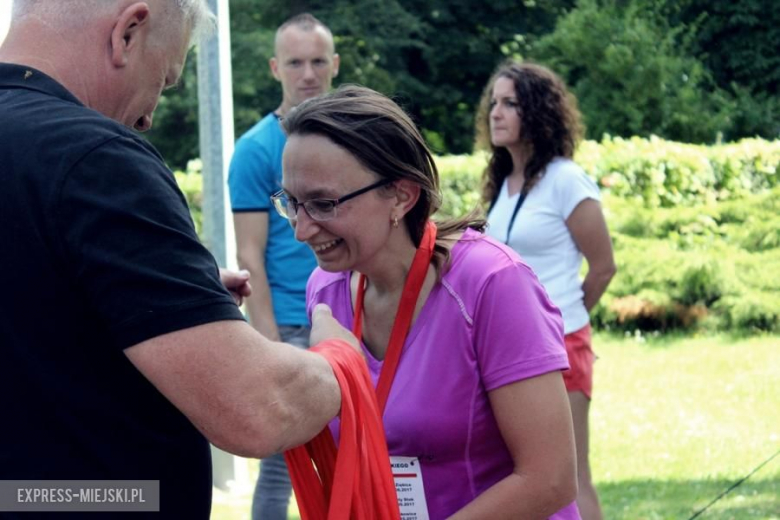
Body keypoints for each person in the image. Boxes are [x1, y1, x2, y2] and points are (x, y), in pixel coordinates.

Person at [0, 2, 356, 518]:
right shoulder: (93, 159)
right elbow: (256, 408)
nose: (147, 118)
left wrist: (162, 298)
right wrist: (341, 356)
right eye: (164, 81)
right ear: (128, 32)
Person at [274, 85, 581, 519]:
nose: (302, 230)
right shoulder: (325, 290)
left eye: (323, 204)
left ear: (401, 195)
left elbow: (550, 479)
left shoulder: (493, 284)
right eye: (292, 203)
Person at [477, 60, 617, 520]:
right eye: (494, 102)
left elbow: (602, 268)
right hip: (509, 353)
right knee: (521, 475)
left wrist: (562, 320)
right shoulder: (503, 184)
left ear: (537, 113)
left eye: (510, 104)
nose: (496, 113)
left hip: (561, 346)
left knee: (571, 477)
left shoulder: (566, 180)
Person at [227, 13, 339, 520]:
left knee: (363, 451)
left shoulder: (353, 138)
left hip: (354, 316)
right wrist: (269, 343)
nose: (308, 73)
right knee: (282, 466)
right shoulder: (254, 151)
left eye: (318, 61)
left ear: (335, 64)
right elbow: (250, 255)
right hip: (292, 323)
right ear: (276, 68)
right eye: (296, 62)